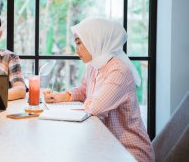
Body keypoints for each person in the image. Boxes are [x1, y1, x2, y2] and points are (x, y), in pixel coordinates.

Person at [43, 18, 154, 162]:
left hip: (128, 152)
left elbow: (95, 107)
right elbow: (84, 90)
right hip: (106, 146)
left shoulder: (119, 71)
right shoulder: (94, 64)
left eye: (79, 43)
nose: (76, 50)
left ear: (94, 40)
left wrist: (88, 99)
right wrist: (61, 96)